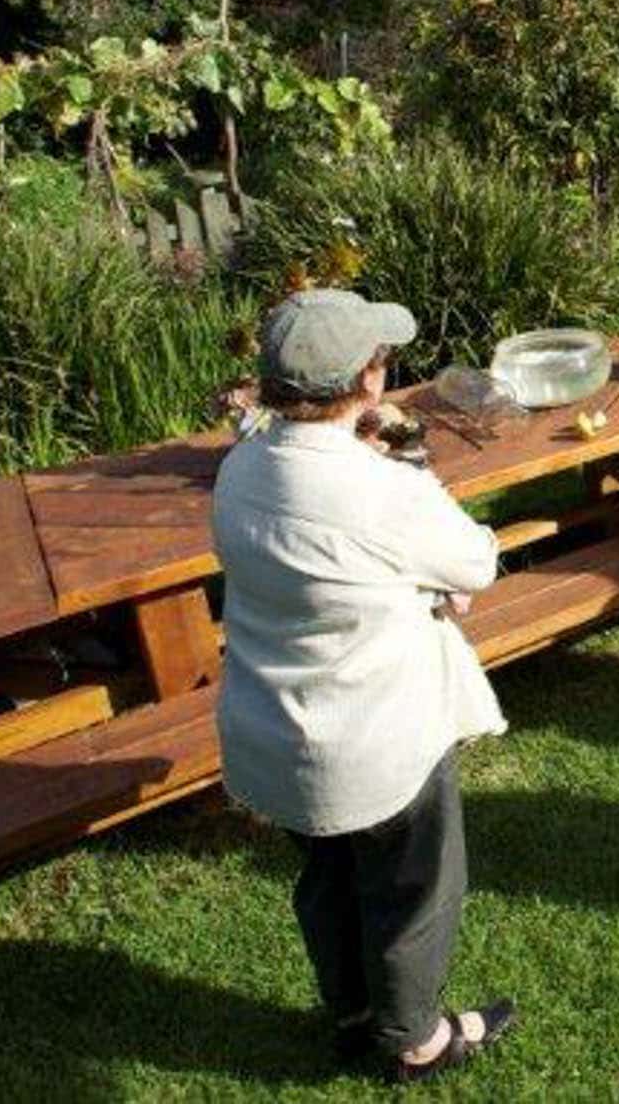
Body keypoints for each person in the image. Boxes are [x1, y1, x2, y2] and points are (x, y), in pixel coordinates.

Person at [213, 289, 515, 1083]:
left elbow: (325, 572)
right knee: (413, 887)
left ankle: (349, 1010)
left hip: (274, 729)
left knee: (329, 876)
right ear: (368, 381)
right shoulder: (383, 490)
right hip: (378, 739)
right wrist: (410, 470)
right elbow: (475, 562)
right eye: (382, 356)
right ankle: (415, 1039)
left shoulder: (240, 466)